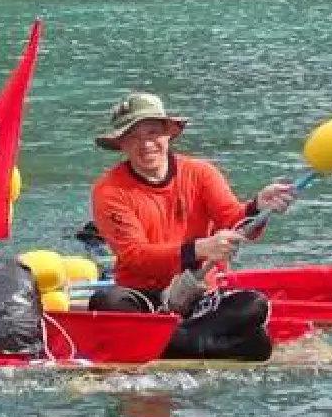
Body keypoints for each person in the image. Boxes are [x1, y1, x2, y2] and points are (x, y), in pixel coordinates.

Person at [87, 91, 305, 361]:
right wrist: (201, 248)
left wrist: (259, 206)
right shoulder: (108, 190)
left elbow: (234, 222)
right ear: (121, 145)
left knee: (253, 304)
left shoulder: (201, 173)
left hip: (198, 295)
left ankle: (169, 343)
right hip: (142, 297)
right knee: (107, 302)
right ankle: (213, 343)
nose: (145, 145)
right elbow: (136, 257)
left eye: (152, 133)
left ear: (169, 134)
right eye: (133, 137)